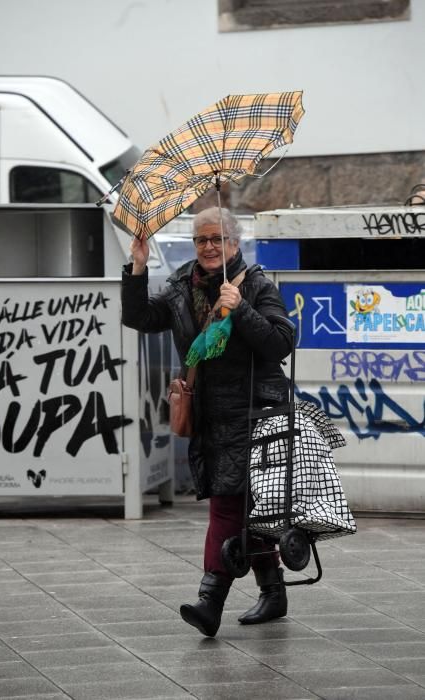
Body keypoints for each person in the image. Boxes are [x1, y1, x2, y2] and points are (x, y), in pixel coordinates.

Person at [121, 206, 293, 637]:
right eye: (202, 240)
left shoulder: (255, 285)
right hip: (210, 413)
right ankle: (272, 591)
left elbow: (280, 344)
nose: (210, 247)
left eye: (218, 238)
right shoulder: (182, 286)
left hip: (255, 411)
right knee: (243, 504)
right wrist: (138, 268)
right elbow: (139, 318)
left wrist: (240, 310)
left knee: (228, 502)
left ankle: (209, 600)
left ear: (235, 242)